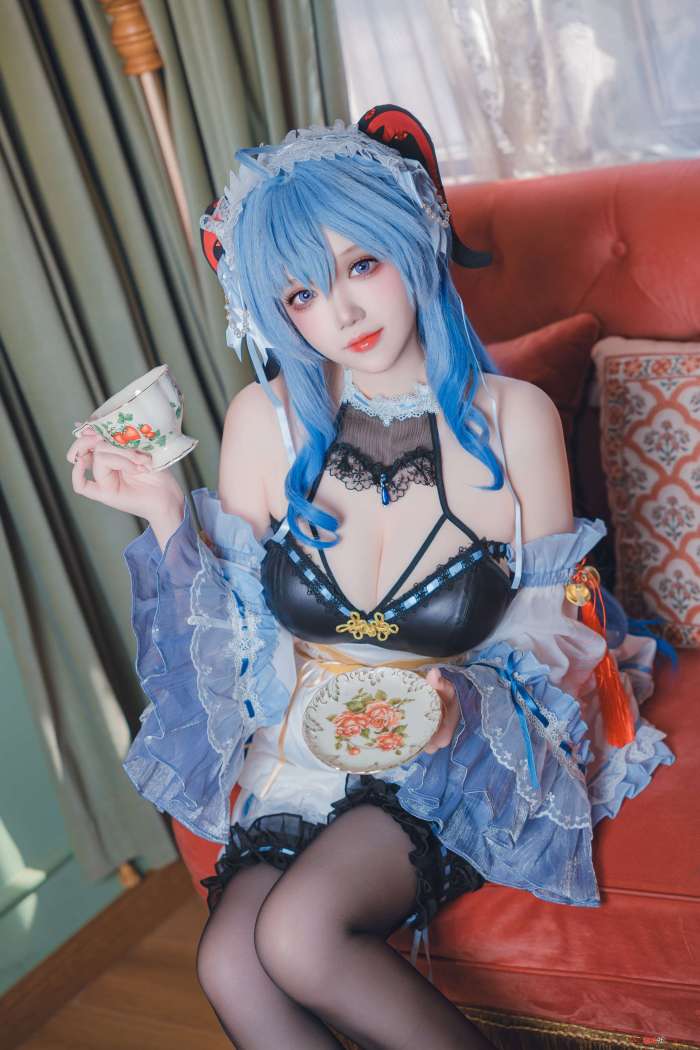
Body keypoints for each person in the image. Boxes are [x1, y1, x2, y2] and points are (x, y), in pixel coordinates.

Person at [66, 107, 675, 1050]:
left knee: (299, 934)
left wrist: (468, 705)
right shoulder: (262, 422)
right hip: (308, 747)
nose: (342, 315)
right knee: (229, 962)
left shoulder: (516, 418)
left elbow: (560, 635)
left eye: (361, 266)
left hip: (458, 748)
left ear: (413, 240)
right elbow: (229, 639)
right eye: (302, 293)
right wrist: (163, 512)